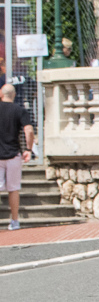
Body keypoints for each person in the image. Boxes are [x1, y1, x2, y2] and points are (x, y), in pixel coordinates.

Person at [0, 83, 35, 230]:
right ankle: (14, 221)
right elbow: (29, 130)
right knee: (13, 189)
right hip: (14, 154)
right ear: (14, 95)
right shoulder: (19, 110)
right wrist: (28, 149)